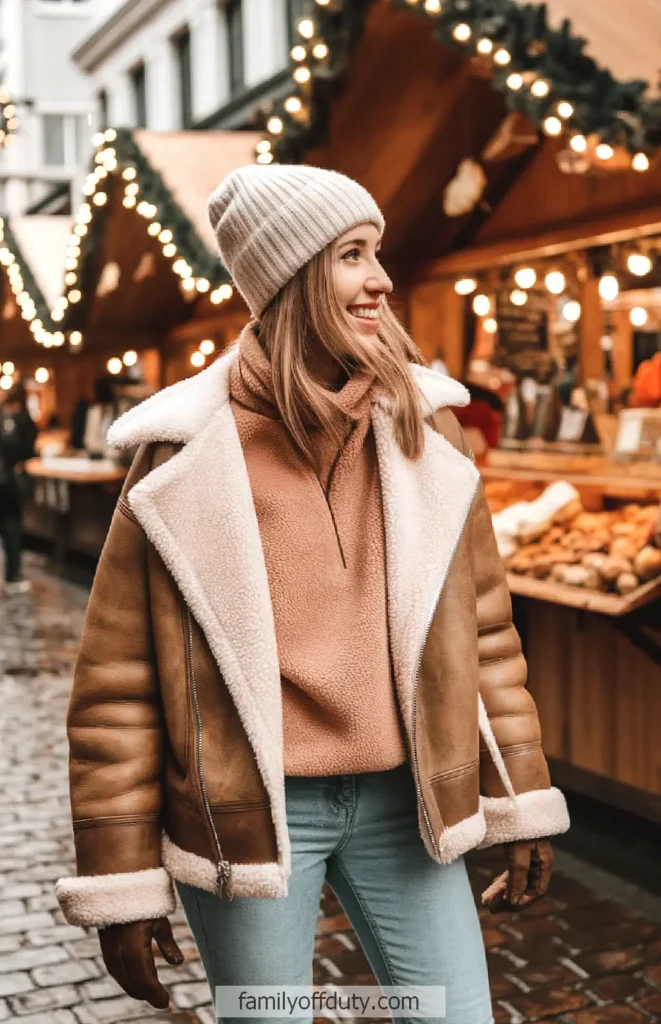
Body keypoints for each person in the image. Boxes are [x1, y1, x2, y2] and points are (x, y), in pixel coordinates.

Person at [55, 165, 570, 1023]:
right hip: (249, 818)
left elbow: (484, 636)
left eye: (377, 254)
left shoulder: (423, 429)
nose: (381, 279)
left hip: (406, 806)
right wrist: (120, 880)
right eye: (352, 256)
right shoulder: (183, 457)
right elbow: (116, 688)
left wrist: (519, 796)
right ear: (291, 277)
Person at [0, 382, 37, 595]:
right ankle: (13, 576)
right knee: (12, 526)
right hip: (8, 483)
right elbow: (27, 450)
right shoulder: (19, 420)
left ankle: (13, 575)